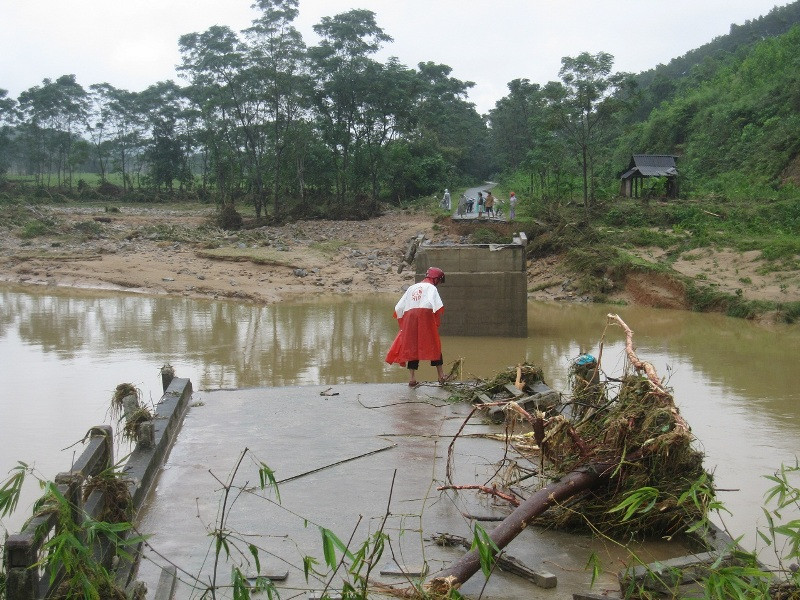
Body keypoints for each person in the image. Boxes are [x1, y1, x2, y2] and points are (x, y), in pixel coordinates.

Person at [385, 267, 447, 386]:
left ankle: (412, 378)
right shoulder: (431, 288)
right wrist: (435, 322)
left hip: (410, 318)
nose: (439, 283)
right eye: (439, 281)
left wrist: (404, 323)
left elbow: (398, 308)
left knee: (412, 346)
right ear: (436, 278)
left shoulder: (411, 288)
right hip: (425, 316)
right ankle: (440, 376)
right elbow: (438, 307)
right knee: (434, 345)